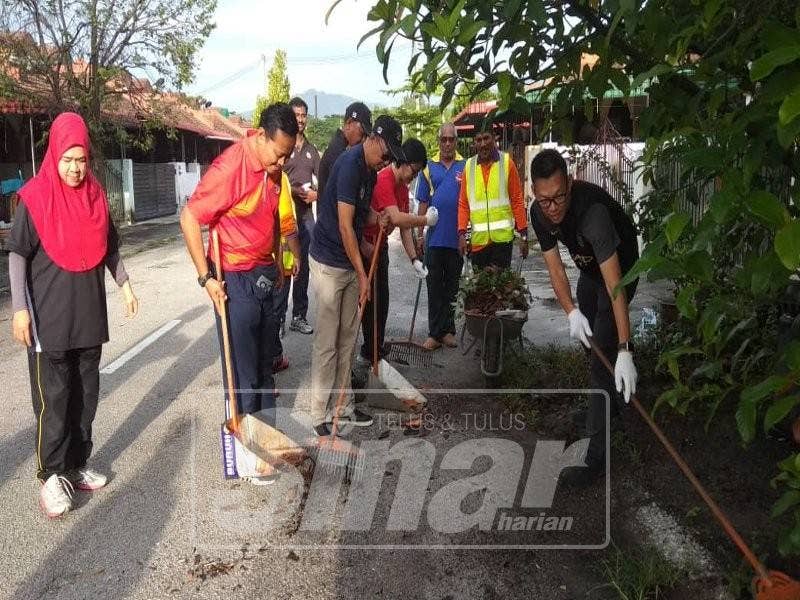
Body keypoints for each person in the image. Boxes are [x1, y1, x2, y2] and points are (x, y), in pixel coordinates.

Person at [8, 112, 139, 518]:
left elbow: (110, 246)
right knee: (55, 399)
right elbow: (17, 255)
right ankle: (51, 475)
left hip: (88, 318)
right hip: (49, 321)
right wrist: (19, 310)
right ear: (54, 155)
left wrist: (125, 285)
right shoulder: (35, 197)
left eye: (81, 160)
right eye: (68, 159)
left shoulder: (95, 195)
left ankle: (77, 464)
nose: (75, 168)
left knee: (86, 396)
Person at [180, 103, 298, 480]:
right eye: (278, 154)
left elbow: (273, 218)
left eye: (287, 156)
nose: (281, 163)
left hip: (265, 272)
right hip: (234, 277)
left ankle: (268, 441)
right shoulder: (230, 168)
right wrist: (206, 278)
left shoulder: (274, 169)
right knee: (243, 372)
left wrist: (277, 260)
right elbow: (190, 217)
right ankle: (247, 455)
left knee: (266, 365)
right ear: (261, 136)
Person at [528, 148, 639, 484]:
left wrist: (625, 349)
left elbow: (615, 286)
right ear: (534, 193)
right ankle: (611, 405)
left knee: (603, 354)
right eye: (545, 200)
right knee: (591, 341)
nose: (553, 207)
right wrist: (571, 311)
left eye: (559, 197)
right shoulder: (539, 213)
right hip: (590, 273)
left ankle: (595, 459)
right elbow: (555, 269)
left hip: (620, 271)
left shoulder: (593, 214)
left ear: (570, 183)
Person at [308, 115, 403, 436]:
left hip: (348, 262)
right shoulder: (349, 165)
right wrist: (364, 276)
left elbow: (362, 217)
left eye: (390, 158)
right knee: (328, 341)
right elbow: (346, 227)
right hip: (329, 263)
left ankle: (343, 407)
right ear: (374, 138)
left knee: (348, 339)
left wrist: (380, 218)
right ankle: (318, 413)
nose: (386, 162)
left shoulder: (371, 173)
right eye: (386, 154)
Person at [357, 138, 439, 366]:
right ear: (402, 162)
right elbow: (396, 218)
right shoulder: (384, 179)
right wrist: (425, 220)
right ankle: (369, 353)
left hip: (380, 246)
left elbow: (404, 228)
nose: (414, 176)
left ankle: (377, 347)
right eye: (413, 170)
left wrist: (414, 259)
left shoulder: (402, 188)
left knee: (382, 302)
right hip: (366, 247)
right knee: (370, 303)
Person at [416, 123, 466, 350]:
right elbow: (423, 202)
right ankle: (434, 334)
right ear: (439, 141)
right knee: (434, 286)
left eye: (451, 139)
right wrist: (419, 235)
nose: (447, 143)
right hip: (434, 239)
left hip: (456, 238)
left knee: (452, 287)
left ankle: (448, 330)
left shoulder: (465, 166)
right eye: (443, 139)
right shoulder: (428, 167)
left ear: (456, 141)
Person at [457, 122, 529, 269]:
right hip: (479, 243)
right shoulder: (469, 167)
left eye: (486, 138)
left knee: (502, 283)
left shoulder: (507, 163)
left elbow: (517, 200)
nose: (483, 144)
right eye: (479, 140)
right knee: (480, 283)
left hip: (502, 242)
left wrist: (523, 235)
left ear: (494, 137)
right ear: (474, 143)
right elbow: (464, 204)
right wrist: (462, 234)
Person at [282, 96, 320, 336]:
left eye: (303, 115)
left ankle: (299, 316)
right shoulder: (282, 146)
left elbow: (326, 181)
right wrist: (293, 191)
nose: (300, 119)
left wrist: (316, 194)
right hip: (284, 218)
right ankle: (278, 318)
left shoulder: (311, 150)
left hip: (305, 219)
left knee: (302, 268)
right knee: (283, 267)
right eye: (296, 115)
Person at [270, 167, 302, 374]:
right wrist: (298, 255)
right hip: (280, 259)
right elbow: (287, 223)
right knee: (275, 311)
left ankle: (271, 355)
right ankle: (273, 357)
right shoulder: (278, 177)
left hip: (261, 259)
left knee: (267, 311)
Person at [317, 101, 372, 198]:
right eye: (362, 133)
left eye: (366, 136)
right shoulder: (338, 152)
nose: (363, 140)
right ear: (349, 123)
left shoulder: (347, 149)